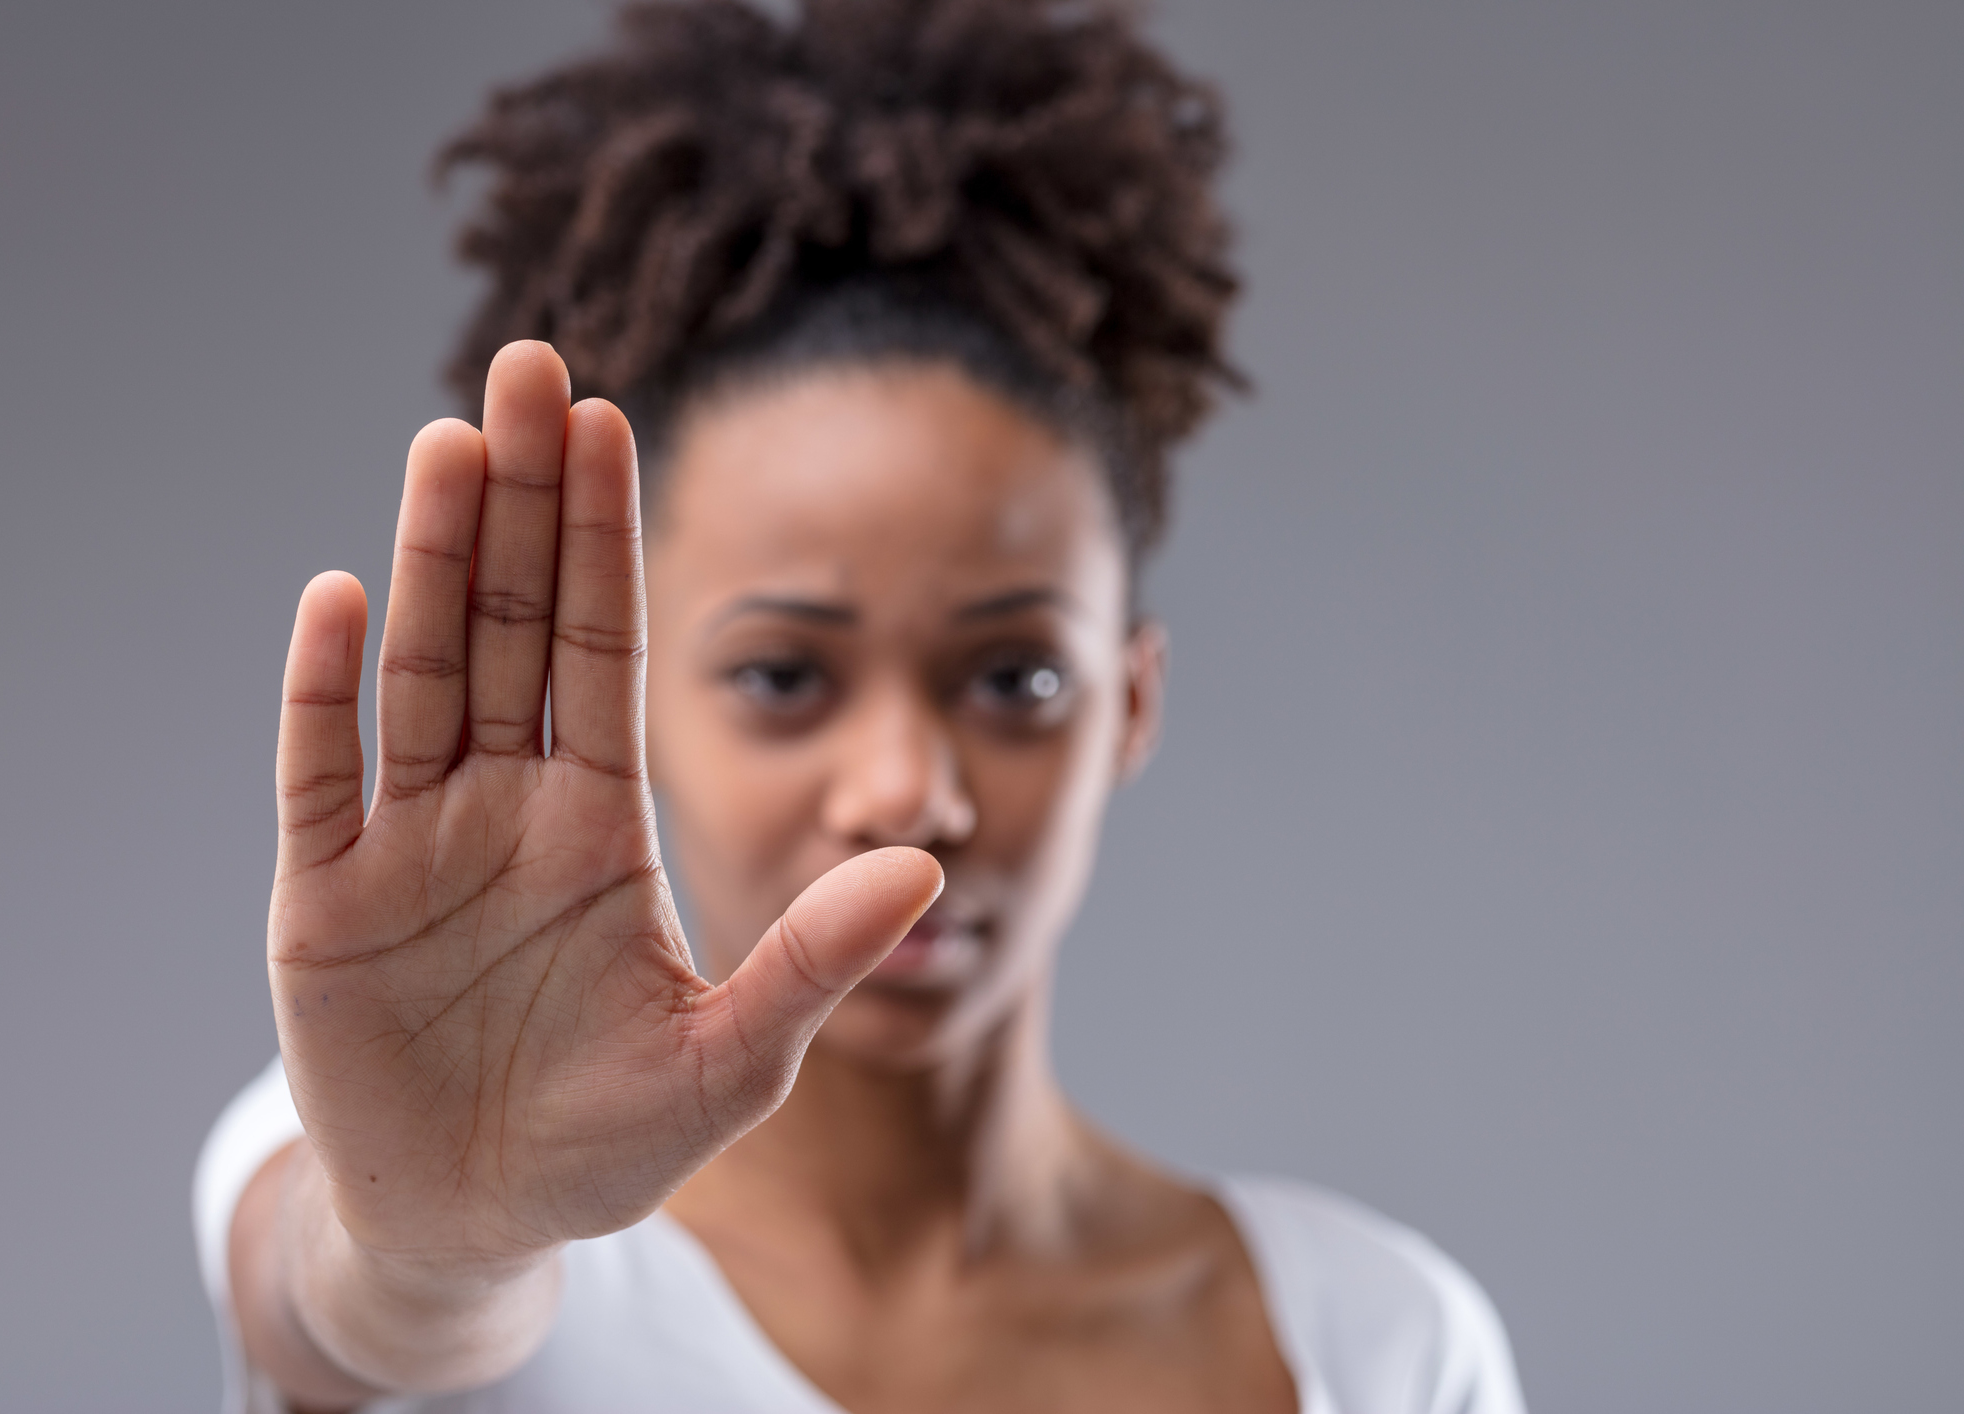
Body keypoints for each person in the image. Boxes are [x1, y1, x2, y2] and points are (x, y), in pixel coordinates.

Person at [195, 2, 1527, 1410]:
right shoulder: (432, 1156)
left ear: (1130, 707)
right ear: (633, 700)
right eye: (782, 676)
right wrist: (432, 1255)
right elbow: (356, 1301)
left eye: (1015, 677)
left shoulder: (1371, 1343)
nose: (905, 790)